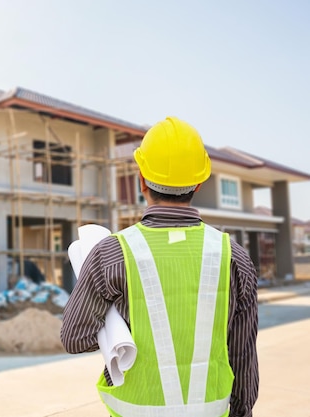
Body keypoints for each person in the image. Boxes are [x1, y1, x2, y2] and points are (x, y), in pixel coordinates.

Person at [60, 116, 259, 417]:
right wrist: (242, 411)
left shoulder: (110, 254)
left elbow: (76, 337)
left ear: (141, 180)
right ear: (199, 183)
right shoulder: (234, 257)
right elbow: (243, 354)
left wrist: (117, 324)